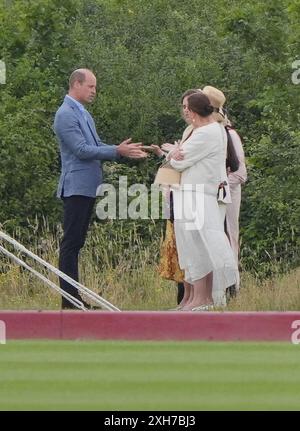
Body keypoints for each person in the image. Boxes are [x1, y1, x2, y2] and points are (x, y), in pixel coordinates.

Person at [54, 68, 147, 309]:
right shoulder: (66, 114)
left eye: (95, 87)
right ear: (76, 84)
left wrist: (121, 150)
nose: (94, 91)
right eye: (90, 86)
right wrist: (117, 151)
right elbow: (82, 150)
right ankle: (69, 301)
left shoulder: (83, 113)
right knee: (71, 243)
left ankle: (74, 299)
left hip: (87, 186)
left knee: (77, 242)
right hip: (76, 186)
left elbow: (96, 145)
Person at [168, 92, 238, 310]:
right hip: (193, 194)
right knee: (192, 245)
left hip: (198, 195)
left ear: (192, 111)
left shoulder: (206, 133)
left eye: (185, 107)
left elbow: (179, 163)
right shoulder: (210, 130)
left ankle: (202, 298)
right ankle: (196, 297)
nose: (184, 111)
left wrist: (173, 153)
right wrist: (175, 154)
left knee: (199, 246)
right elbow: (179, 159)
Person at [202, 86, 247, 293]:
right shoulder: (207, 131)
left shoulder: (230, 134)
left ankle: (233, 288)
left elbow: (240, 174)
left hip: (226, 198)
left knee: (228, 238)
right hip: (211, 197)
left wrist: (217, 182)